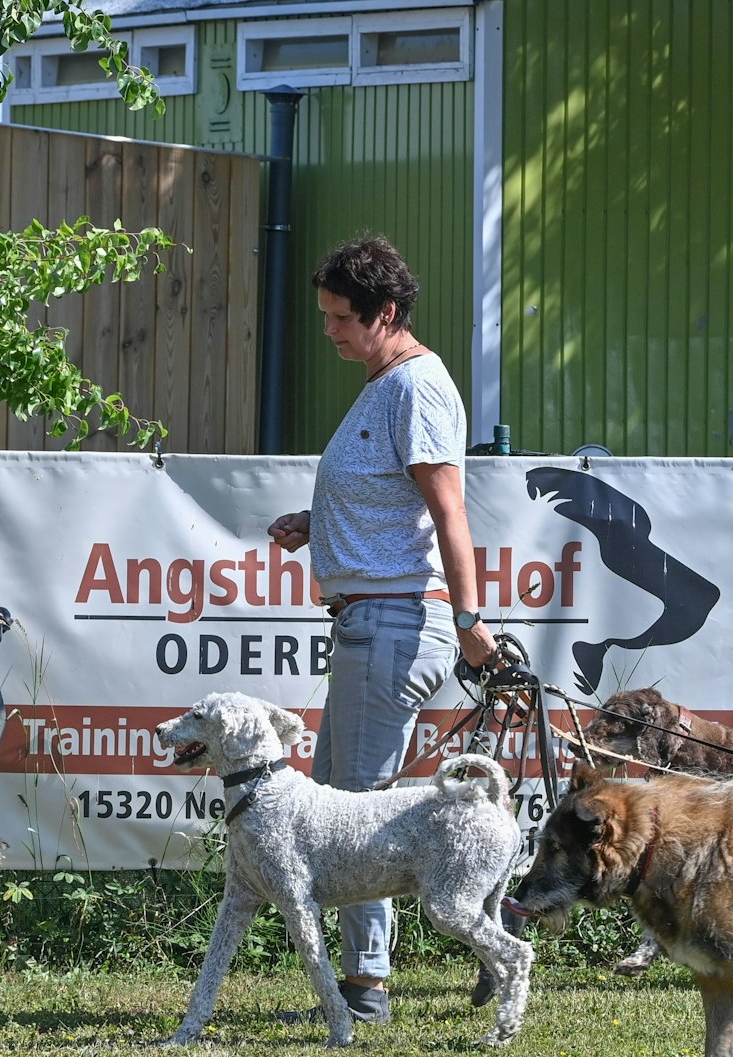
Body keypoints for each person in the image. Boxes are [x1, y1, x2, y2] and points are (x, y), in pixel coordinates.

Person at [267, 235, 498, 1023]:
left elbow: (448, 511)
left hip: (396, 623)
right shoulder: (382, 382)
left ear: (385, 313)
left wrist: (470, 619)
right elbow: (389, 500)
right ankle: (361, 984)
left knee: (356, 817)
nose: (328, 328)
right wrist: (317, 523)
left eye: (339, 317)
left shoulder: (415, 388)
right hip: (372, 620)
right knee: (335, 808)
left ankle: (366, 991)